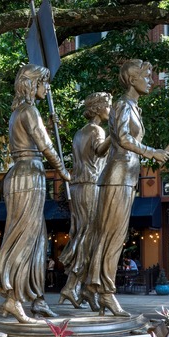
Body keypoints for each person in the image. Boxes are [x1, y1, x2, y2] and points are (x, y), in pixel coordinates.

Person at [83, 60, 169, 317]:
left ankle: (94, 285)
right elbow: (122, 138)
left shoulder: (131, 107)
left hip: (127, 176)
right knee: (112, 236)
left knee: (113, 235)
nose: (151, 81)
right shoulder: (122, 105)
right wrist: (152, 152)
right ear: (132, 80)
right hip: (117, 176)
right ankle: (106, 293)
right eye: (146, 77)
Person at [0, 63, 71, 324]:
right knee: (24, 239)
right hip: (28, 176)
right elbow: (45, 145)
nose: (47, 88)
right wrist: (63, 170)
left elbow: (35, 138)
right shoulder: (29, 111)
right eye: (43, 83)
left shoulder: (20, 113)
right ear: (31, 84)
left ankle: (37, 299)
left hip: (24, 173)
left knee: (37, 239)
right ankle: (13, 299)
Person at [59, 92, 112, 310]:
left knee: (83, 234)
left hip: (78, 185)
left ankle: (86, 289)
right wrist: (115, 134)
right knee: (89, 236)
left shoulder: (80, 133)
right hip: (91, 185)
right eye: (108, 106)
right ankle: (73, 285)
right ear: (98, 108)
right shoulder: (97, 130)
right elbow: (100, 151)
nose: (110, 110)